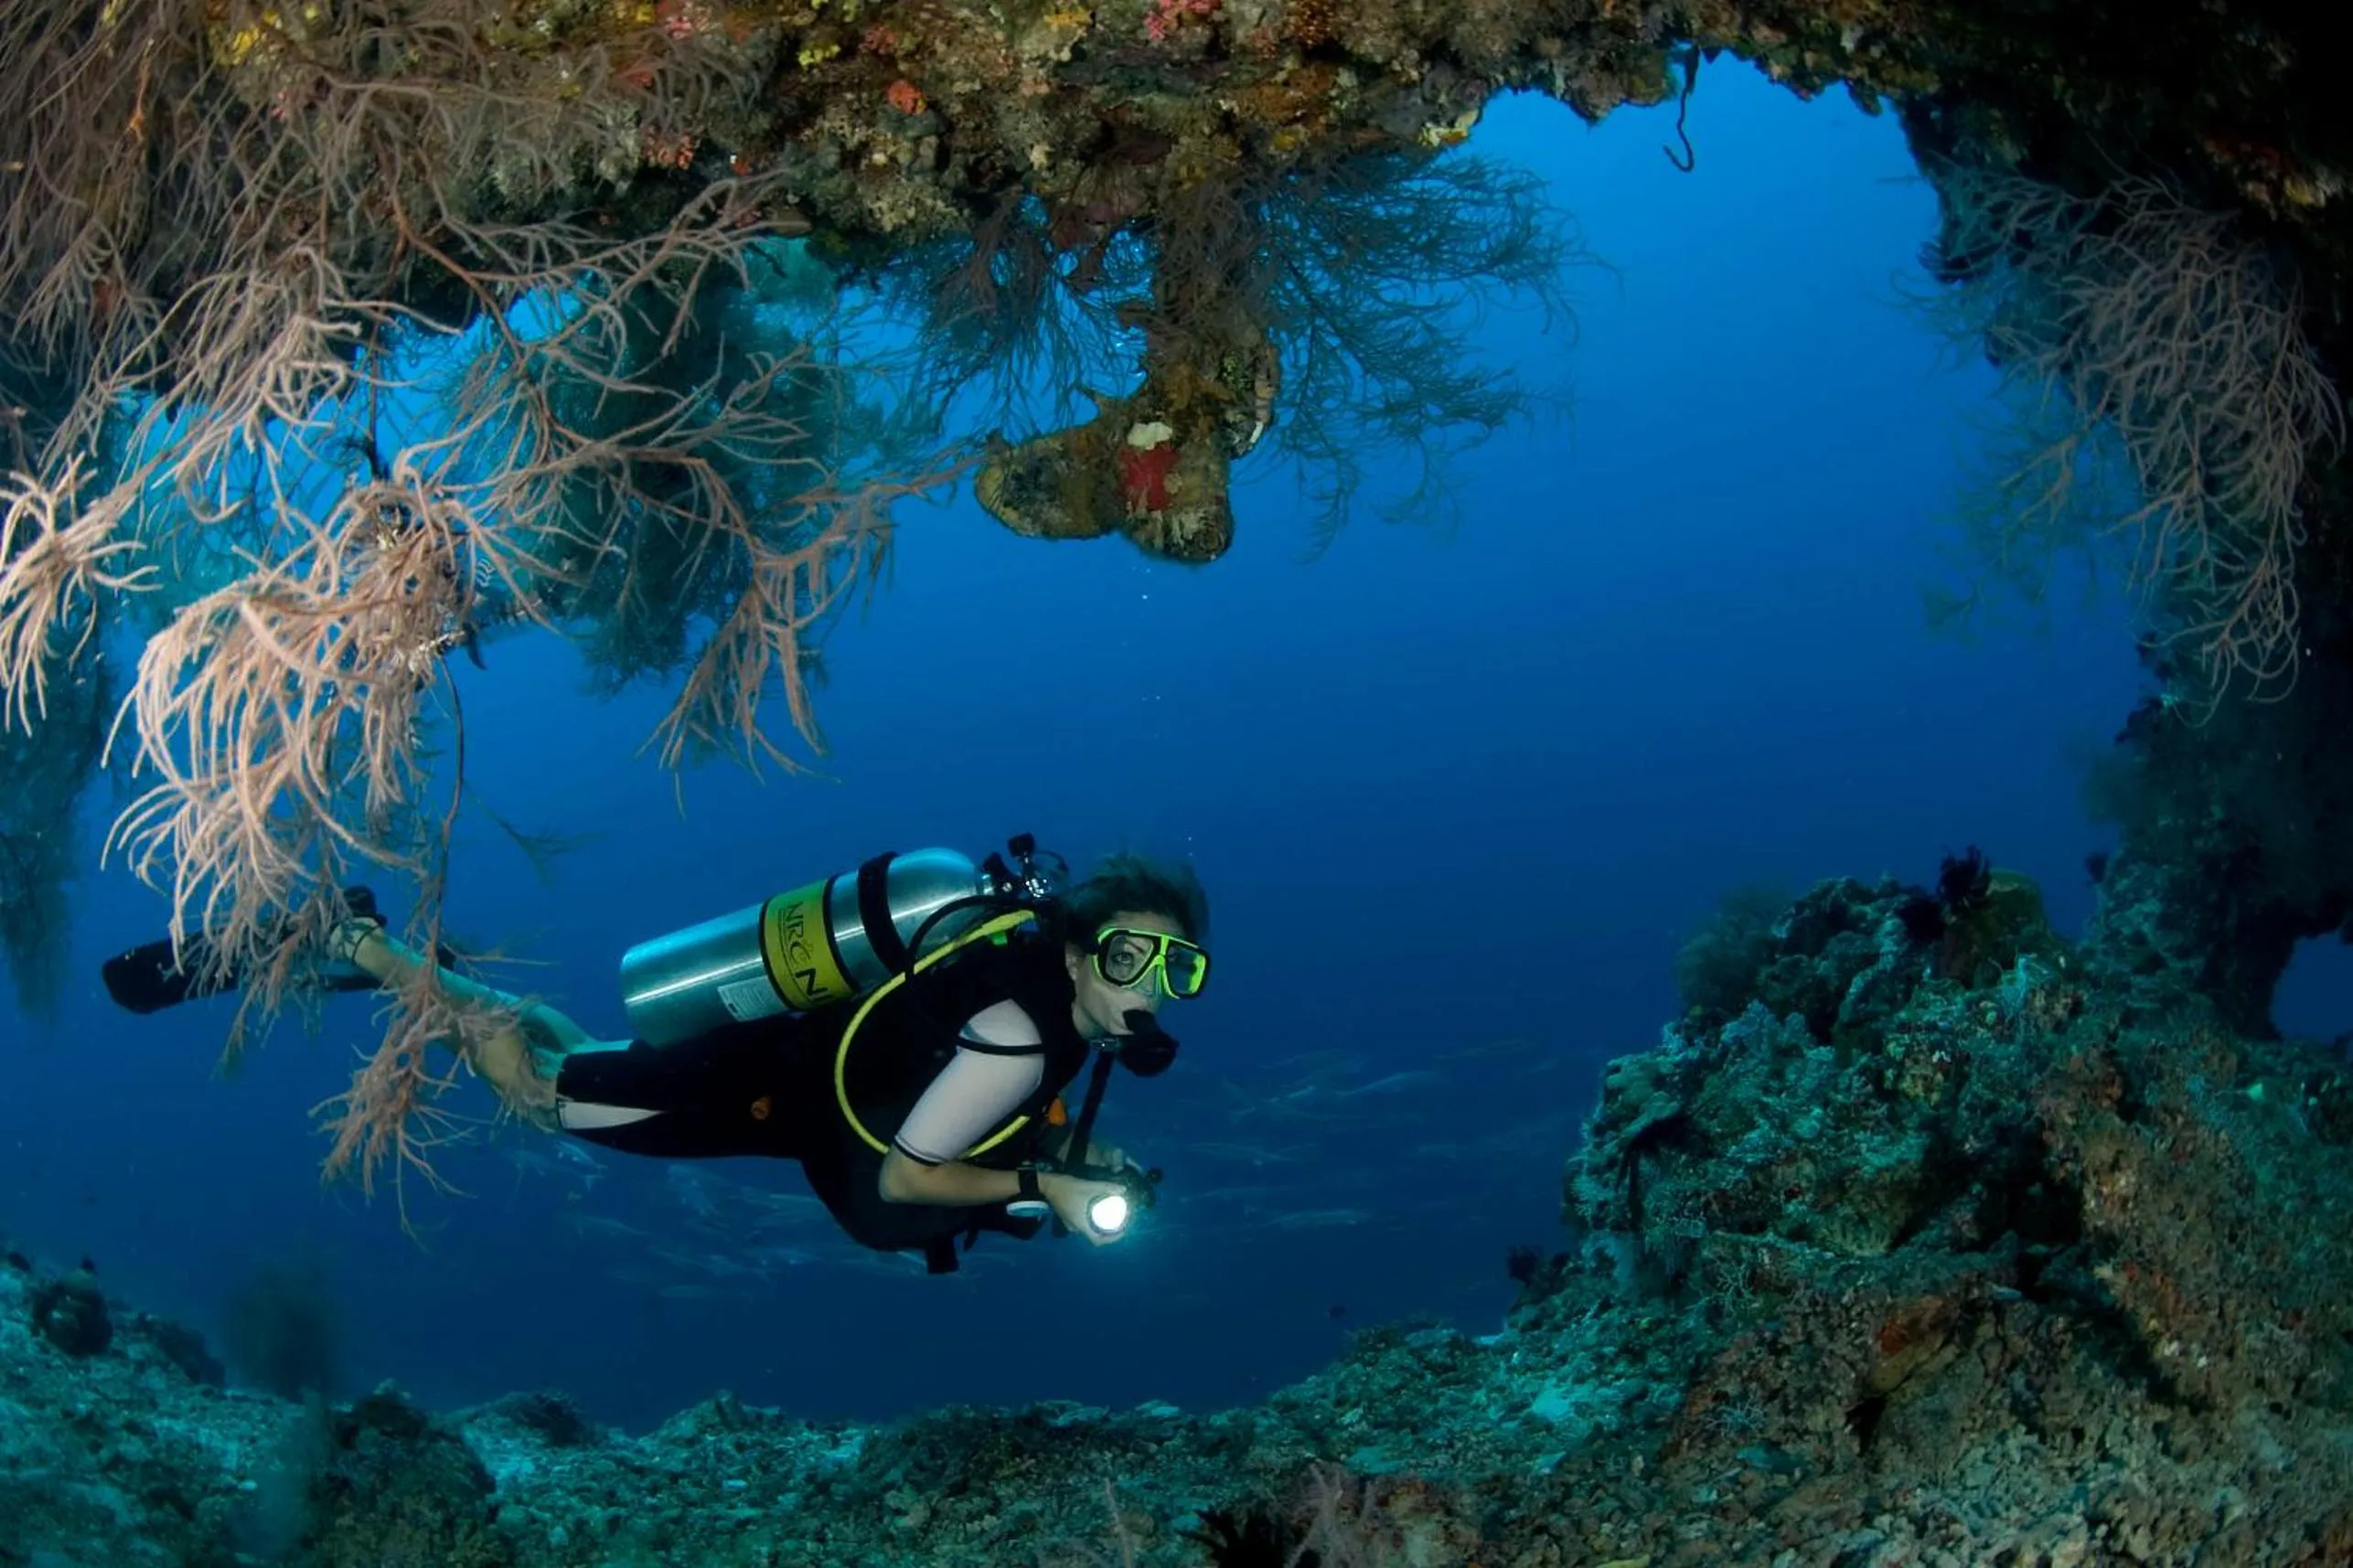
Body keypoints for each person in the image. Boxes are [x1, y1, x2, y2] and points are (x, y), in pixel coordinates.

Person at [321, 848, 1210, 1275]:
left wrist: (1070, 1159)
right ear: (1075, 955)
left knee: (577, 1051)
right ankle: (353, 939)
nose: (1151, 983)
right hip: (752, 1088)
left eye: (1177, 966)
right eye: (1130, 955)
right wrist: (1037, 1184)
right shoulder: (1025, 1034)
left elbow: (958, 1093)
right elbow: (905, 1181)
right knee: (536, 1092)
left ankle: (390, 953)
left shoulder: (1046, 1011)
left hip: (783, 1066)